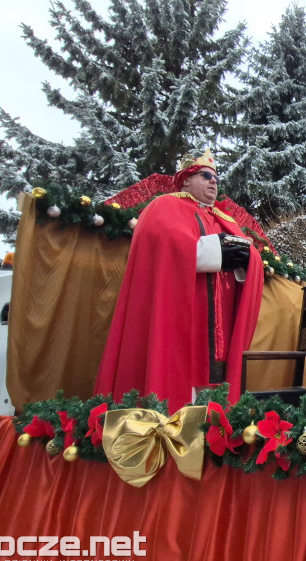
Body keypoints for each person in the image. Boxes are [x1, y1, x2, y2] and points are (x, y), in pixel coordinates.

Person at [95, 148, 264, 412]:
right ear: (185, 179)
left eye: (216, 178)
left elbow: (247, 253)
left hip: (217, 322)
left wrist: (245, 258)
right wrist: (213, 251)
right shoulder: (164, 206)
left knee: (213, 382)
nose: (213, 181)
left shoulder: (222, 218)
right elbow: (166, 245)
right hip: (181, 315)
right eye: (206, 175)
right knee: (181, 378)